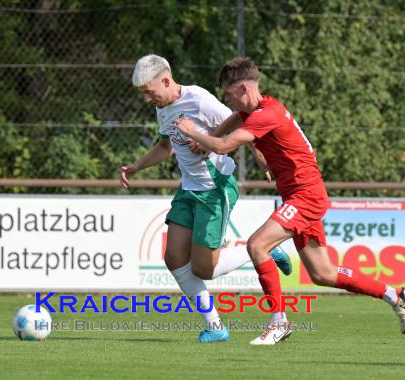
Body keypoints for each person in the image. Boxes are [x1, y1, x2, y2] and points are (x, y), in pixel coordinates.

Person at [174, 57, 405, 345]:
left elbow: (225, 147)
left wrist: (194, 133)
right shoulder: (261, 107)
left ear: (245, 87)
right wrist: (213, 135)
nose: (226, 98)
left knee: (256, 244)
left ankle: (279, 323)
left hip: (305, 194)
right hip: (302, 193)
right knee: (322, 273)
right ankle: (394, 294)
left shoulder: (265, 114)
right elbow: (238, 119)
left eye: (228, 92)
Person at [120, 54, 292, 343]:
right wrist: (137, 166)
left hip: (216, 189)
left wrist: (262, 158)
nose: (148, 99)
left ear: (165, 80)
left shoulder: (199, 99)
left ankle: (263, 252)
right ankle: (215, 327)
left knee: (204, 269)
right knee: (173, 257)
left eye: (150, 92)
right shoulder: (163, 109)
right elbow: (166, 147)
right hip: (188, 189)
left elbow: (242, 124)